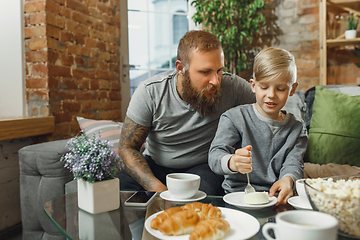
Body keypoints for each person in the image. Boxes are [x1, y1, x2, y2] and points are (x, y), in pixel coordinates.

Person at [117, 30, 256, 196]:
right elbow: (127, 148)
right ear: (180, 68)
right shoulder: (150, 92)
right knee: (119, 187)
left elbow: (269, 106)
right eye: (205, 72)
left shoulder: (233, 87)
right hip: (156, 165)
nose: (216, 81)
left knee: (199, 196)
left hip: (203, 167)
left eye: (219, 70)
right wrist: (159, 190)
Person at [208, 47, 308, 204]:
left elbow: (294, 163)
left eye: (280, 88)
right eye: (264, 87)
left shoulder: (297, 128)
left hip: (276, 198)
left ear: (292, 89)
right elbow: (214, 156)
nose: (271, 94)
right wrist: (232, 162)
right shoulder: (234, 117)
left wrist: (288, 180)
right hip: (237, 197)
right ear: (253, 86)